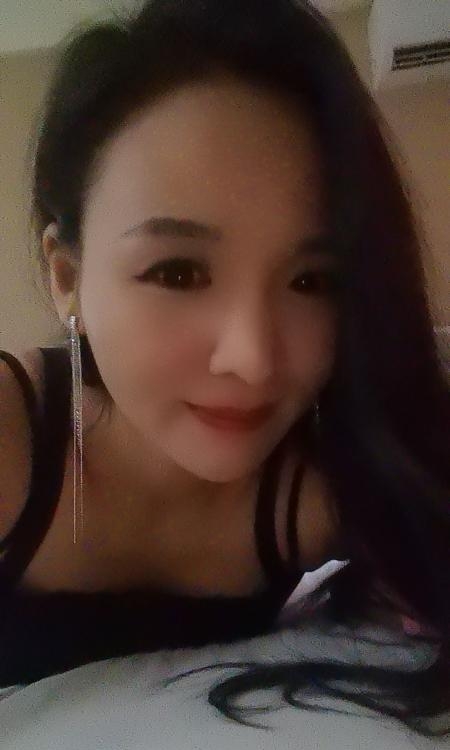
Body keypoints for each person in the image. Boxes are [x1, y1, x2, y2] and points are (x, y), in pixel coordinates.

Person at [0, 0, 448, 737]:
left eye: (312, 281)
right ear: (67, 276)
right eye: (177, 272)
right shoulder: (12, 441)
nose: (253, 358)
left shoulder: (314, 494)